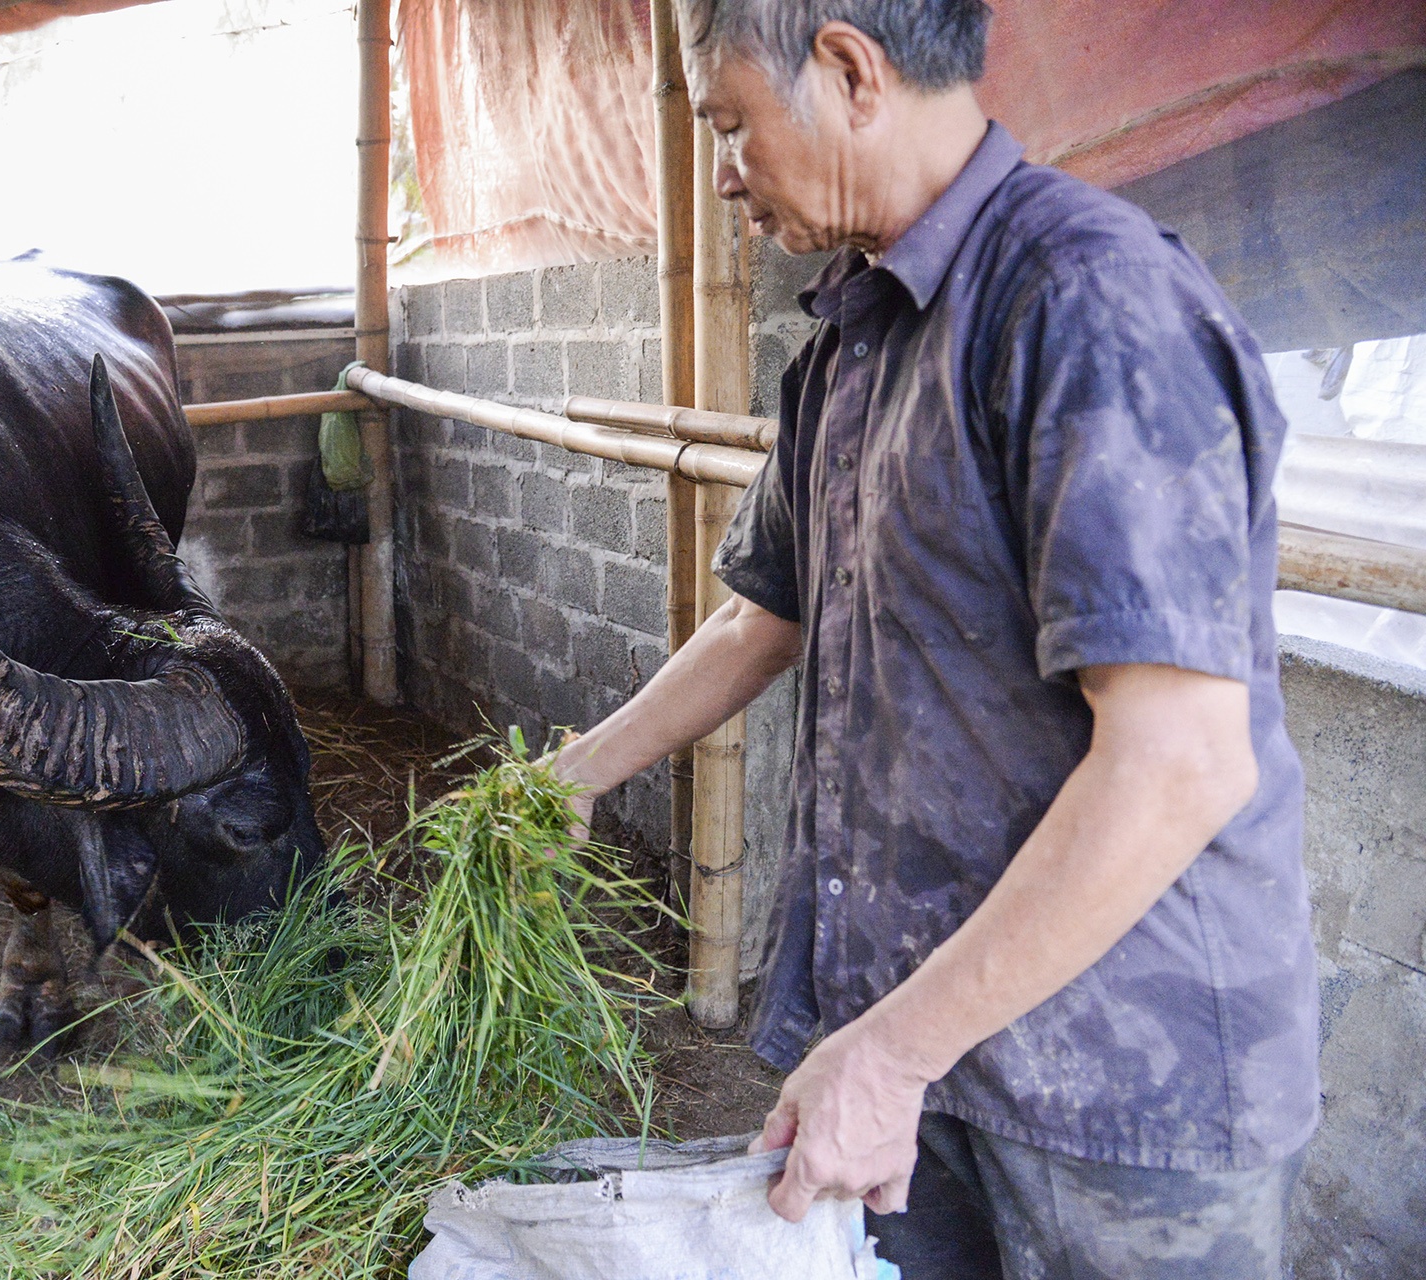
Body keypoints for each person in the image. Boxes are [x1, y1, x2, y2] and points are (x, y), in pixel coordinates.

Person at [548, 1, 1319, 1275]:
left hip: (1115, 1094)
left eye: (732, 123)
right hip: (915, 1052)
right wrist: (574, 768)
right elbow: (760, 615)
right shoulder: (849, 342)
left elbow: (1179, 759)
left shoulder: (1085, 299)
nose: (725, 170)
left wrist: (894, 1049)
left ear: (850, 69)